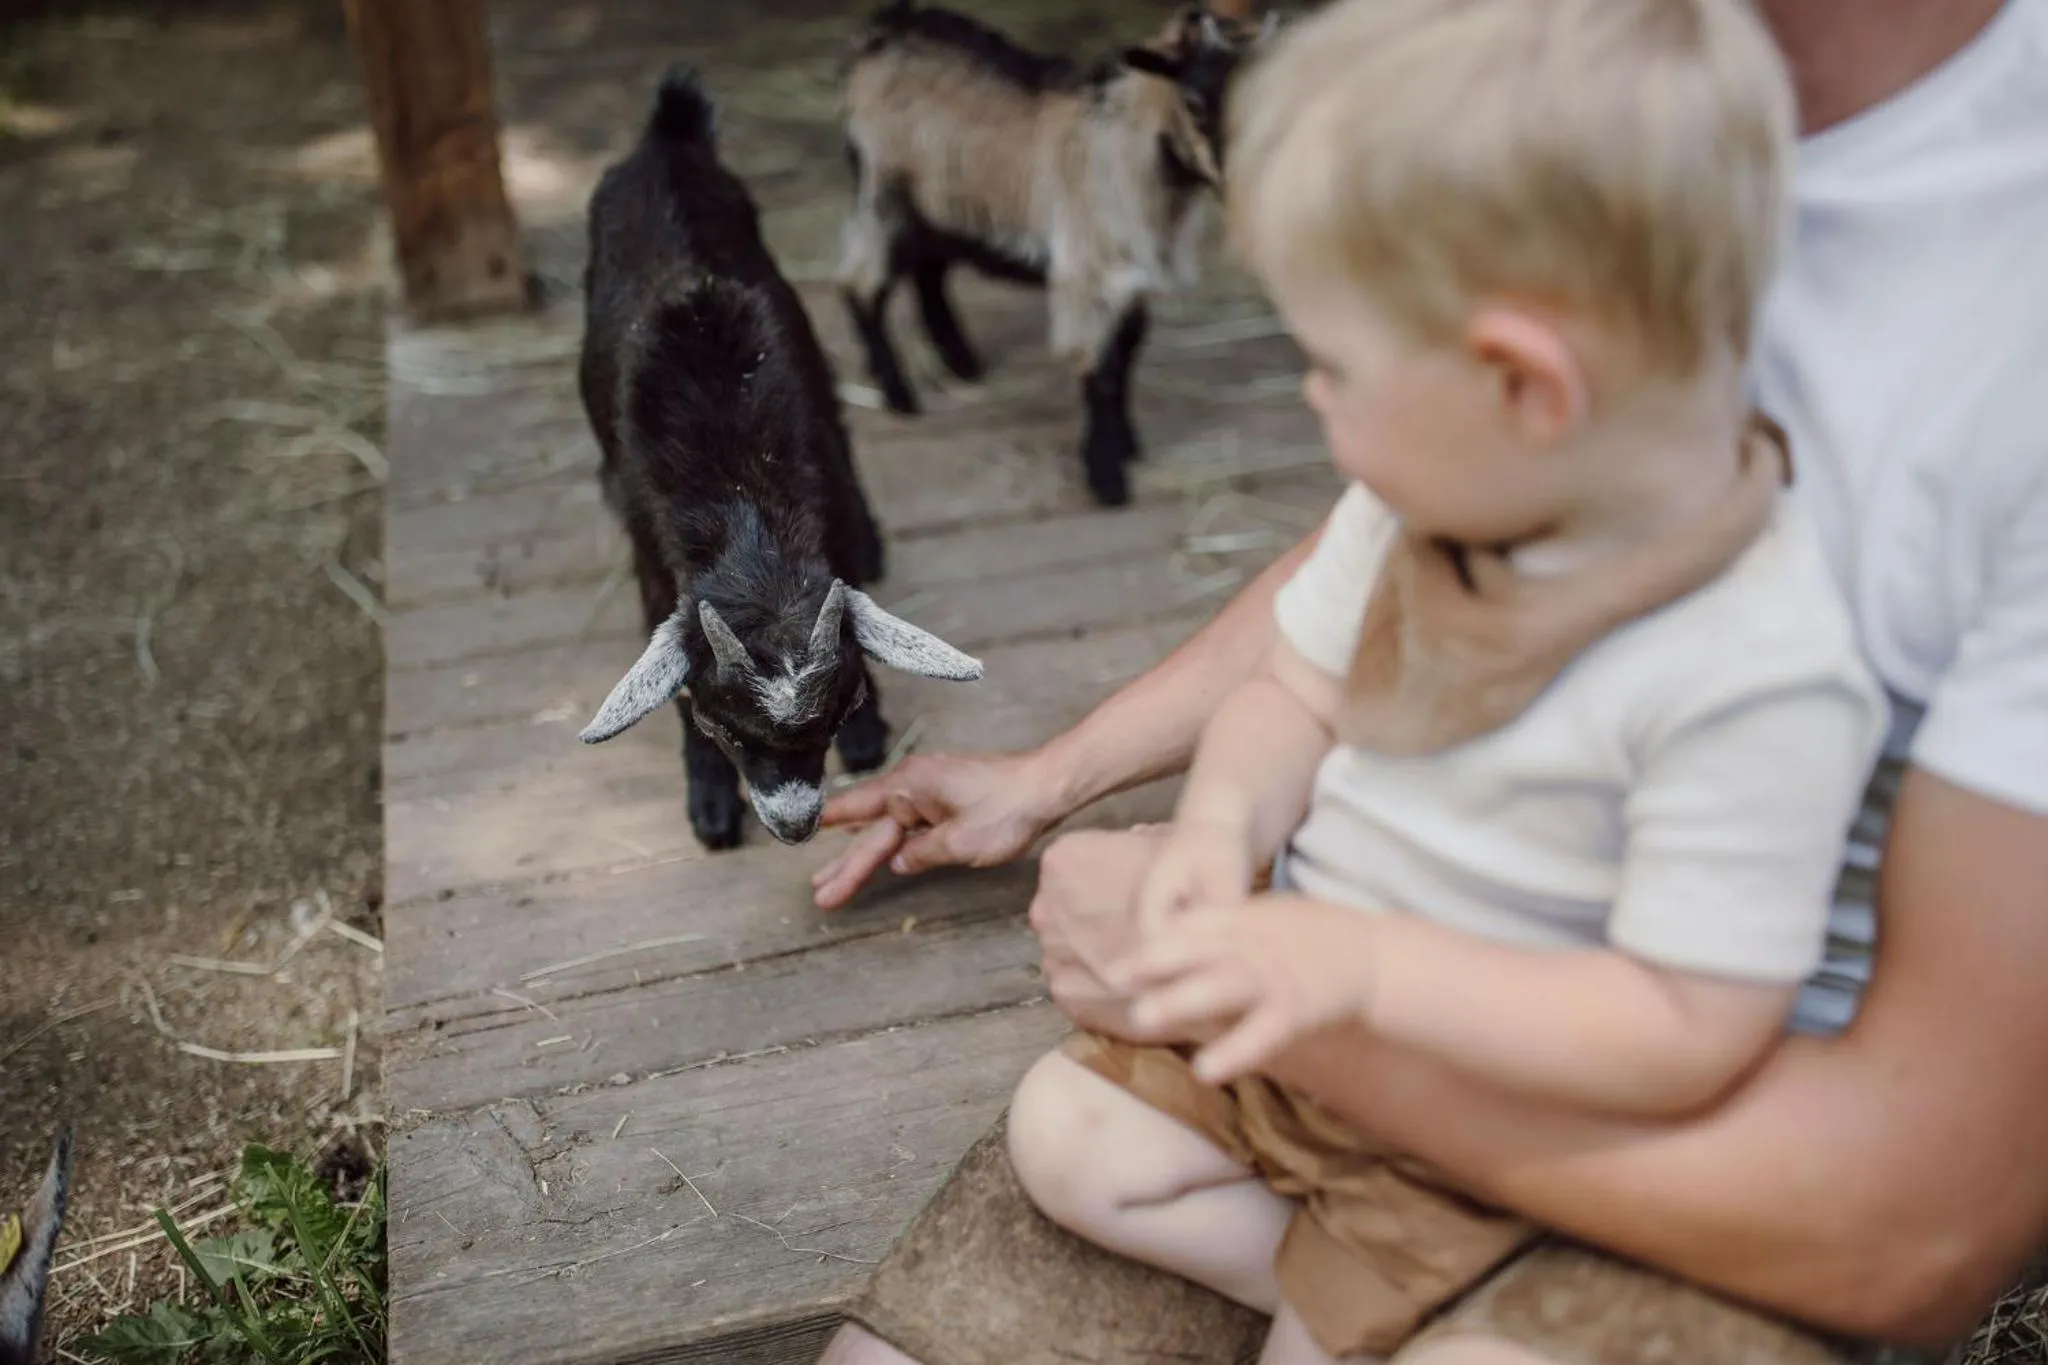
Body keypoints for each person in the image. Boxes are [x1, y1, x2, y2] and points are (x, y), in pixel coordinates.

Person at [814, 0, 2048, 1360]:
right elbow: (1305, 671)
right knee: (1069, 1139)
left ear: (1525, 386)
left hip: (1551, 1095)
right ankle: (1323, 1284)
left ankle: (1361, 1303)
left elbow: (1740, 1072)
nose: (1309, 408)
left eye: (1333, 368)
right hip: (1318, 1010)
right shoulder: (1485, 409)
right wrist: (1182, 822)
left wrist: (1311, 982)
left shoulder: (1757, 675)